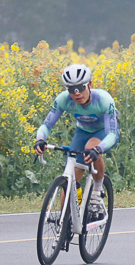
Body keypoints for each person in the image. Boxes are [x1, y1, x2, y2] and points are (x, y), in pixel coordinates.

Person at [34, 63, 119, 220]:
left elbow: (112, 134)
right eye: (72, 89)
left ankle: (97, 193)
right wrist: (40, 140)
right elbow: (46, 125)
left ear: (90, 85)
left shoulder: (104, 100)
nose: (77, 93)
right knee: (70, 179)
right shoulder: (63, 100)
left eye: (81, 87)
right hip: (82, 133)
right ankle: (64, 222)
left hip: (103, 133)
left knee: (91, 147)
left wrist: (98, 149)